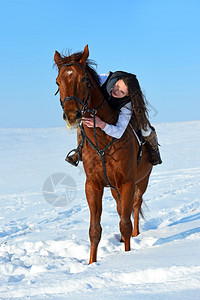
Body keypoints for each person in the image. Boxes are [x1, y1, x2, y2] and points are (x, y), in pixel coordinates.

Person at [66, 71, 162, 166]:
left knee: (144, 129)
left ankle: (154, 149)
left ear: (128, 95)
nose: (116, 91)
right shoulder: (103, 79)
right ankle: (79, 150)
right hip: (103, 106)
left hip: (120, 109)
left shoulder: (127, 105)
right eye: (117, 86)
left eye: (122, 92)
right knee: (83, 120)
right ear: (117, 81)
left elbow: (119, 132)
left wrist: (101, 124)